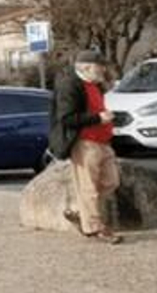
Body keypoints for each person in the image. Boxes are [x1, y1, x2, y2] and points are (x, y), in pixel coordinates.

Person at [50, 49, 122, 244]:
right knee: (88, 187)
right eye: (100, 67)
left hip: (102, 140)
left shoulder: (95, 84)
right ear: (87, 67)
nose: (103, 70)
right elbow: (66, 118)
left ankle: (79, 211)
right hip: (84, 142)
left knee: (111, 181)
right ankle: (94, 227)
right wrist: (98, 118)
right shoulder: (69, 85)